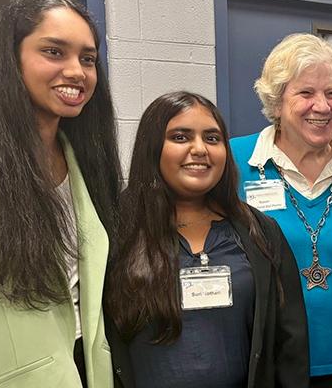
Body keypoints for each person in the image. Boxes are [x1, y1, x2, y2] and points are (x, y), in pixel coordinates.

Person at [104, 91, 309, 388]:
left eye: (212, 139)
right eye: (180, 137)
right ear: (152, 147)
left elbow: (289, 340)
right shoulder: (115, 230)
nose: (199, 149)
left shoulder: (261, 232)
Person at [0, 0, 122, 387]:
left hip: (85, 365)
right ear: (12, 58)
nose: (77, 71)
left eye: (88, 59)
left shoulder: (86, 162)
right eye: (54, 52)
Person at [230, 33, 332, 388]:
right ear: (277, 102)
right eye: (305, 93)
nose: (321, 106)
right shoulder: (234, 162)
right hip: (266, 362)